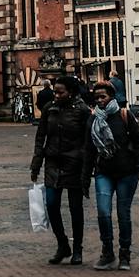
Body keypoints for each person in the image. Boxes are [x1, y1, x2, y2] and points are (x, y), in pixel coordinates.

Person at [85, 80, 139, 271]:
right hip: (103, 172)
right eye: (96, 97)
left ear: (111, 97)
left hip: (126, 172)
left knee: (123, 214)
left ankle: (124, 253)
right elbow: (88, 149)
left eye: (103, 97)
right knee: (103, 212)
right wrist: (84, 177)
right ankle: (107, 251)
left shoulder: (124, 115)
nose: (100, 101)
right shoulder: (93, 119)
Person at [30, 74, 91, 266]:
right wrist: (36, 163)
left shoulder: (82, 111)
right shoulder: (50, 109)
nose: (56, 95)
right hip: (53, 162)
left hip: (74, 163)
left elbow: (88, 141)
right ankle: (62, 244)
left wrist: (86, 167)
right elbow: (41, 137)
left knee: (75, 208)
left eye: (60, 92)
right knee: (52, 205)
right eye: (55, 91)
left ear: (70, 92)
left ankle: (78, 249)